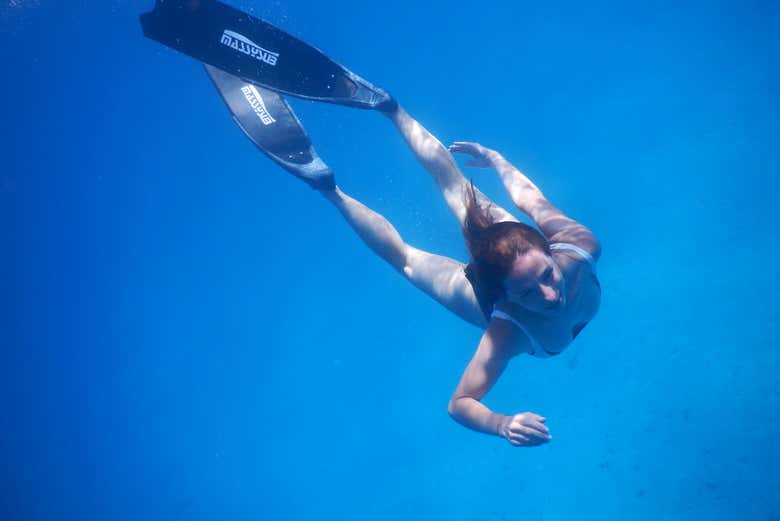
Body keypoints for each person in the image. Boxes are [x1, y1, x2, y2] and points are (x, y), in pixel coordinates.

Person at [142, 0, 601, 447]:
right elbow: (460, 402)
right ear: (507, 297)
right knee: (404, 258)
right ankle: (332, 184)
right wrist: (501, 423)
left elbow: (532, 200)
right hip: (484, 293)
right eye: (528, 292)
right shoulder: (506, 331)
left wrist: (500, 161)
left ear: (550, 250)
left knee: (455, 185)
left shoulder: (578, 246)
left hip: (513, 248)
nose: (549, 295)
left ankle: (388, 113)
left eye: (546, 275)